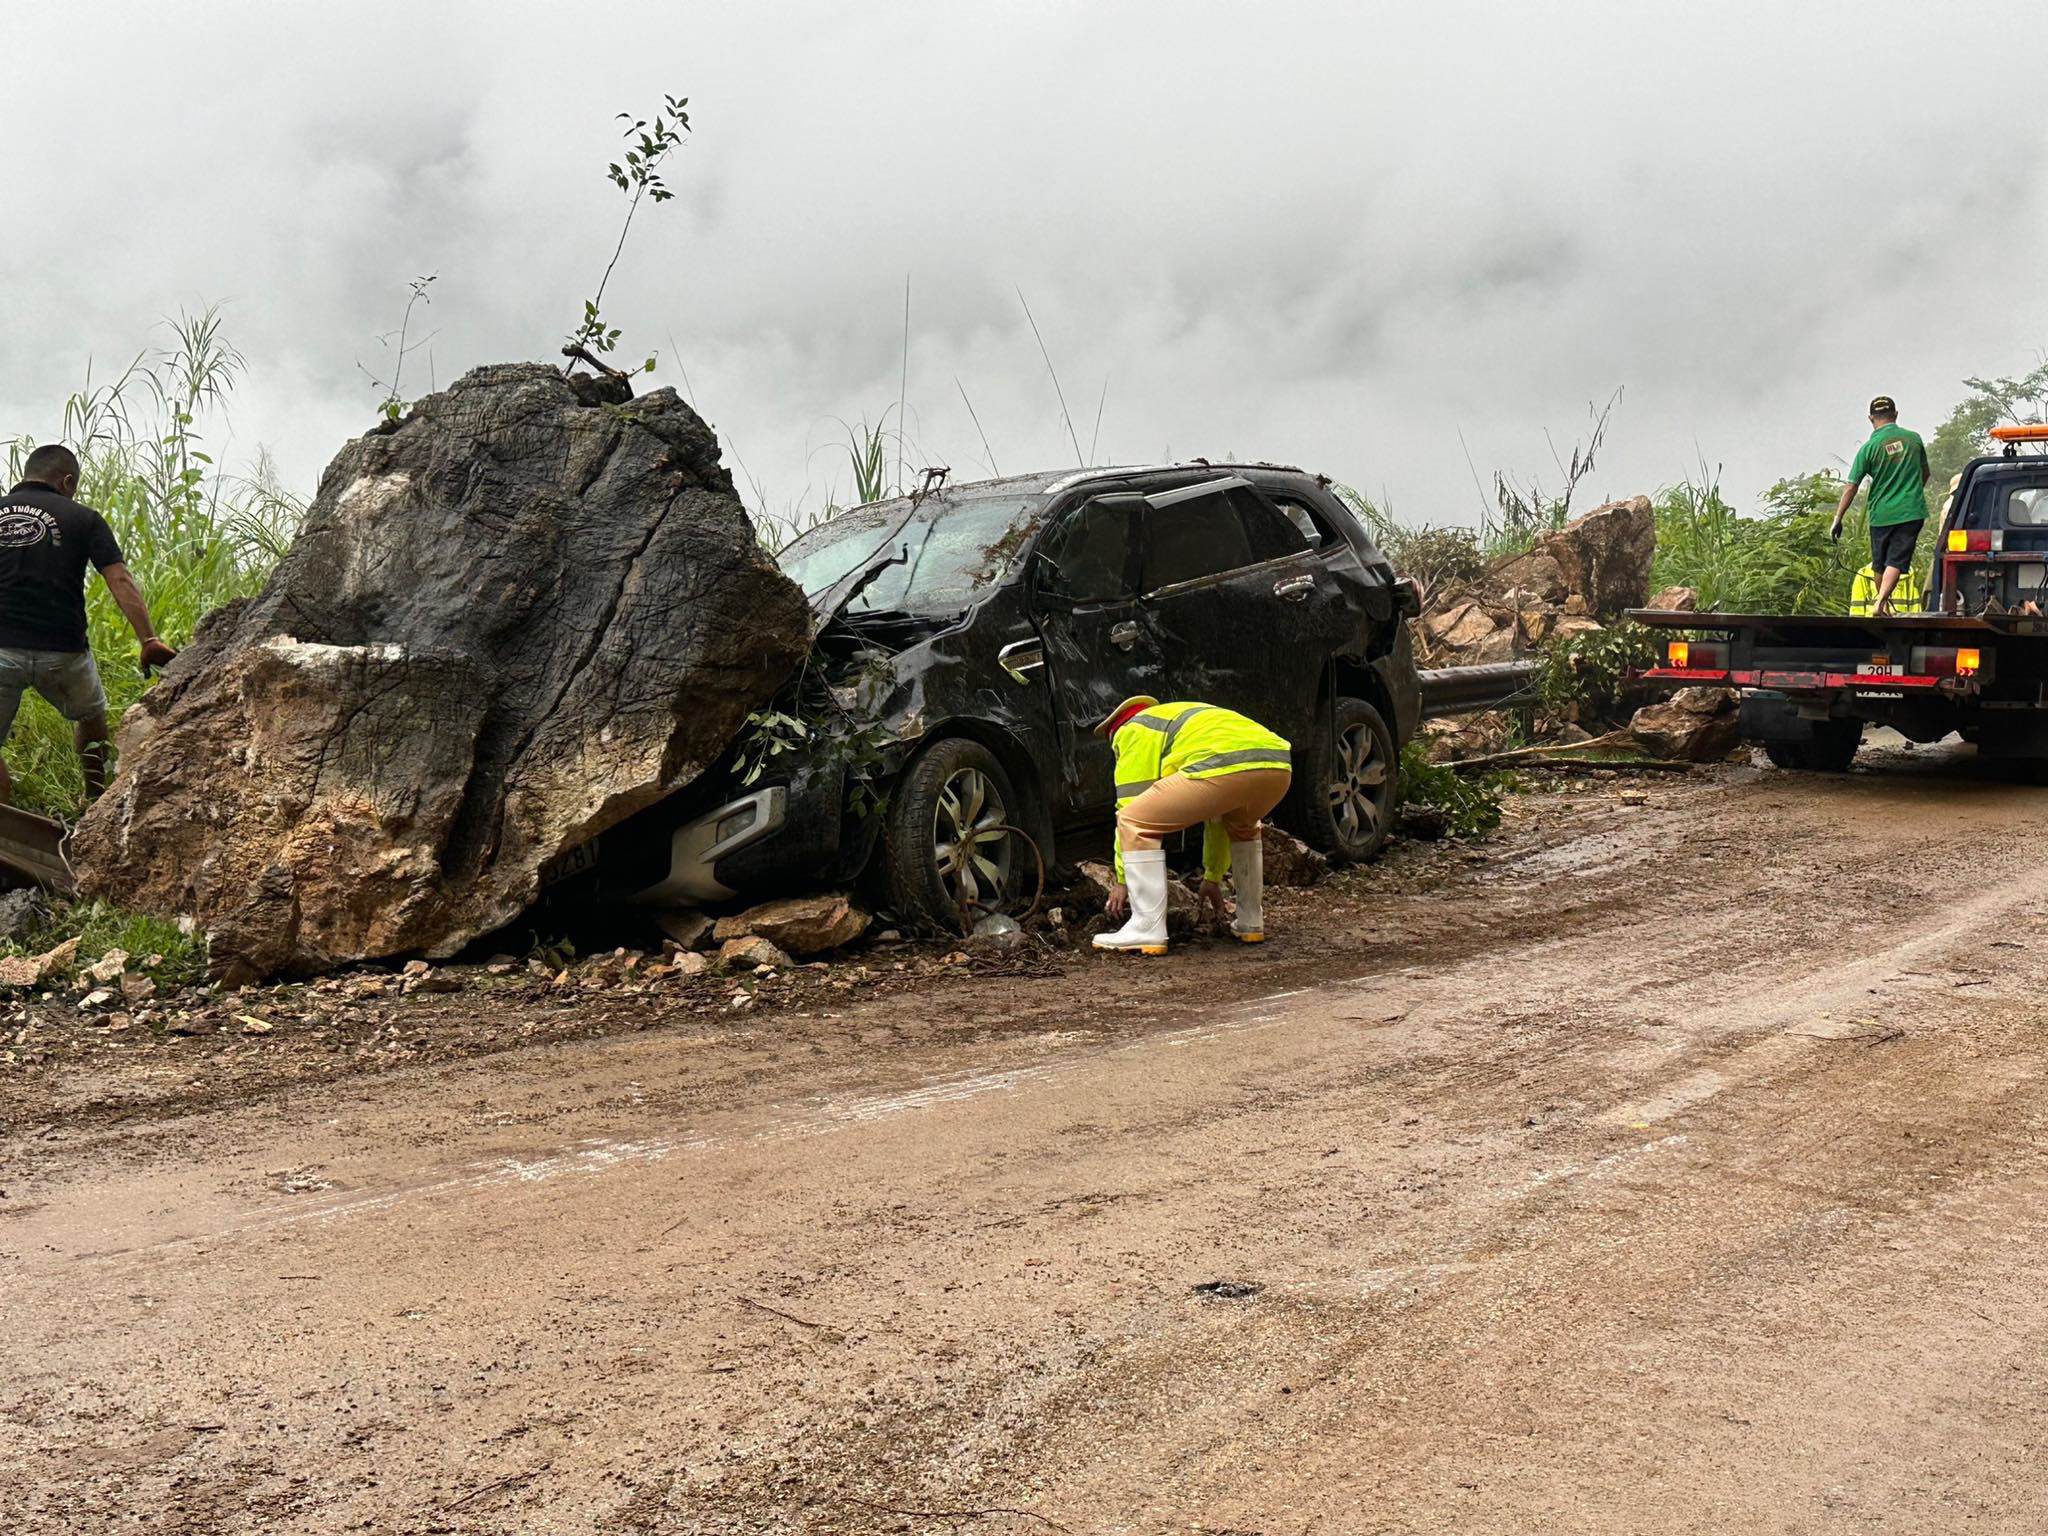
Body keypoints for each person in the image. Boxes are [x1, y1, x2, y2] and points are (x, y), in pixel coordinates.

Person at [0, 444, 176, 806]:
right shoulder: (84, 518)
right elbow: (120, 580)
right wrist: (149, 640)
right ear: (66, 481)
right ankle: (95, 802)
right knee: (92, 719)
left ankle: (6, 819)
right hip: (64, 651)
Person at [1094, 696, 1293, 955]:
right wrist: (1213, 877)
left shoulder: (1133, 731)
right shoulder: (1178, 720)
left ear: (1114, 736)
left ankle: (1146, 928)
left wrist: (1122, 880)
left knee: (1134, 820)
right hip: (1278, 764)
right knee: (1241, 827)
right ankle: (1250, 920)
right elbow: (1217, 814)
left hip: (1224, 765)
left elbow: (1129, 807)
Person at [1831, 395, 1931, 616]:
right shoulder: (1913, 439)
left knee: (1880, 563)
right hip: (1910, 511)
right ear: (1895, 415)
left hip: (1880, 514)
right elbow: (1925, 473)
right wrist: (1911, 494)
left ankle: (1881, 603)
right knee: (1897, 558)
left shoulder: (1869, 448)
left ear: (1871, 419)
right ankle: (1881, 602)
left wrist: (1838, 519)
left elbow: (1851, 486)